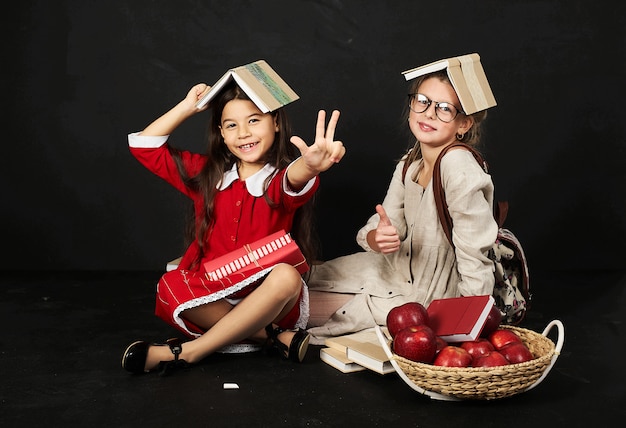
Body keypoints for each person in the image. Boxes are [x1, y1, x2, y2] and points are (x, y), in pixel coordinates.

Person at [122, 79, 345, 374]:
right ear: (221, 134)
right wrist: (189, 107)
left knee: (286, 276)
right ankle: (273, 337)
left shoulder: (276, 182)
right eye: (231, 125)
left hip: (271, 298)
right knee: (169, 285)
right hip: (213, 296)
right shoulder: (207, 175)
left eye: (254, 120)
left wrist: (311, 165)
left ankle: (189, 352)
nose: (243, 134)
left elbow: (296, 175)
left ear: (275, 123)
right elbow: (144, 147)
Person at [307, 59, 498, 344]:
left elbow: (475, 255)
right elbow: (386, 224)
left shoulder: (458, 166)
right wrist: (378, 237)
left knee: (297, 306)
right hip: (392, 270)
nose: (429, 113)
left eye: (444, 109)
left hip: (428, 293)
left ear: (464, 123)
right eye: (422, 101)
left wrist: (470, 328)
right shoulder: (411, 162)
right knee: (305, 278)